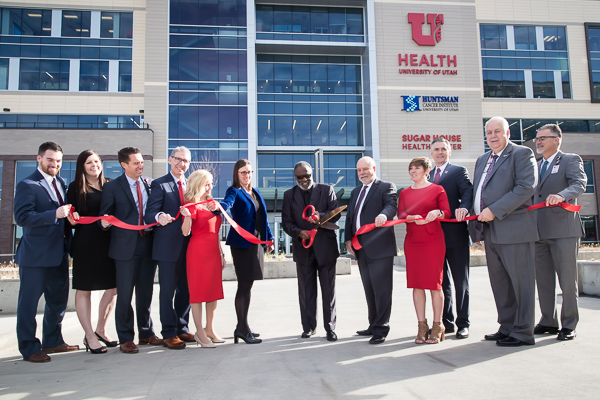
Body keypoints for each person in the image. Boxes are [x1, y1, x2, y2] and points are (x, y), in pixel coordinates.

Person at [464, 116, 538, 347]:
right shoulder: (483, 159)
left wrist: (494, 210)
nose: (493, 136)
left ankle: (523, 332)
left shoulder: (521, 154)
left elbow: (526, 187)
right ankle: (507, 326)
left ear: (507, 132)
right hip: (490, 231)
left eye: (498, 131)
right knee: (501, 283)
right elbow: (479, 192)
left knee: (520, 283)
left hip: (514, 228)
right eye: (489, 132)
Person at [14, 141, 79, 363]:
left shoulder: (60, 182)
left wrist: (70, 219)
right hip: (36, 257)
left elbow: (63, 216)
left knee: (58, 302)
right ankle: (29, 347)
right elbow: (22, 218)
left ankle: (52, 340)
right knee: (29, 304)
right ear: (39, 158)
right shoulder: (27, 184)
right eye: (50, 159)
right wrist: (54, 214)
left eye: (58, 161)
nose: (54, 164)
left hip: (59, 253)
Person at [99, 147, 161, 354]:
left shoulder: (150, 184)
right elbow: (103, 218)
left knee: (145, 292)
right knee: (124, 295)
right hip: (125, 248)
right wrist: (106, 223)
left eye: (141, 162)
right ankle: (126, 337)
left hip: (148, 244)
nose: (140, 166)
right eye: (135, 163)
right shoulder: (112, 187)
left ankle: (146, 333)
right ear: (124, 165)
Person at [533, 124, 587, 341]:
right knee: (544, 281)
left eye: (543, 138)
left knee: (567, 281)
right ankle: (548, 321)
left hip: (563, 230)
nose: (538, 141)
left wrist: (562, 195)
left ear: (557, 139)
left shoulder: (570, 160)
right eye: (537, 138)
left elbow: (579, 184)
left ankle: (569, 324)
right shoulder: (535, 166)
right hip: (538, 231)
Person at [281, 161, 340, 342]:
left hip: (325, 249)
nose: (305, 179)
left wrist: (320, 216)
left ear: (312, 173)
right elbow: (286, 222)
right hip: (303, 249)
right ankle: (308, 327)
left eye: (307, 175)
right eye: (301, 176)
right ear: (295, 177)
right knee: (306, 292)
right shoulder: (289, 195)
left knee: (328, 292)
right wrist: (300, 233)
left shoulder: (326, 189)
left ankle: (330, 328)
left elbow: (335, 213)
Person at [145, 147, 195, 350]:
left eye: (186, 161)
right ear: (170, 160)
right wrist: (159, 217)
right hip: (167, 248)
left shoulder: (191, 185)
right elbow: (150, 213)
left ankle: (182, 327)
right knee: (167, 291)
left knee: (186, 290)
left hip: (189, 246)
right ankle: (169, 332)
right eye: (178, 159)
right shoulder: (159, 184)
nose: (181, 164)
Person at [68, 150, 117, 354]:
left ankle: (100, 330)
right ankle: (89, 335)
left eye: (97, 161)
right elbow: (70, 216)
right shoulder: (75, 187)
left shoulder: (111, 184)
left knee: (113, 287)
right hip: (86, 243)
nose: (94, 165)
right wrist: (72, 217)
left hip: (109, 241)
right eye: (89, 162)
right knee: (84, 289)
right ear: (82, 166)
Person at [220, 159, 274, 344]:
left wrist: (270, 238)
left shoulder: (255, 192)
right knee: (243, 285)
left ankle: (243, 326)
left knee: (248, 284)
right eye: (243, 172)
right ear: (236, 174)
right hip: (242, 245)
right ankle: (241, 328)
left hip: (256, 243)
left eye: (249, 172)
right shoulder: (234, 191)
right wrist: (219, 209)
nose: (246, 175)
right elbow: (227, 204)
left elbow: (263, 218)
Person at [344, 156, 397, 345]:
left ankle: (381, 329)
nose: (362, 173)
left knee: (382, 290)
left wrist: (383, 215)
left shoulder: (386, 186)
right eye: (359, 170)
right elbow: (351, 216)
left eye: (365, 169)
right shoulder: (356, 191)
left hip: (380, 247)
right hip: (361, 247)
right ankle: (372, 324)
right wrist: (347, 239)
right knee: (369, 289)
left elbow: (391, 205)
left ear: (373, 168)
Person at [398, 157, 451, 344]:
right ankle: (422, 326)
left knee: (435, 285)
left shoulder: (438, 189)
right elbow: (401, 214)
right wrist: (410, 217)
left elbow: (447, 211)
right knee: (417, 283)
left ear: (427, 170)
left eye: (417, 168)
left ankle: (438, 325)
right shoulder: (404, 192)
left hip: (432, 240)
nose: (413, 171)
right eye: (410, 168)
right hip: (413, 240)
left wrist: (437, 212)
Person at [429, 138, 473, 339]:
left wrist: (464, 207)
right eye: (436, 149)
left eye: (443, 149)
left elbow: (467, 192)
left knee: (460, 281)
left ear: (449, 152)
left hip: (455, 235)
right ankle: (446, 322)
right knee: (441, 283)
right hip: (434, 237)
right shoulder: (427, 175)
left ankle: (463, 323)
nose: (440, 152)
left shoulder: (457, 171)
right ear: (431, 153)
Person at [180, 169, 225, 348]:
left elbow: (216, 231)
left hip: (214, 251)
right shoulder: (190, 205)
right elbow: (185, 232)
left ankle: (210, 329)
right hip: (198, 253)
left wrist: (221, 253)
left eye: (211, 183)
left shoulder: (212, 203)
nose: (210, 186)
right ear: (197, 184)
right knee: (198, 293)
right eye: (206, 183)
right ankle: (199, 332)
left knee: (213, 292)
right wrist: (187, 217)